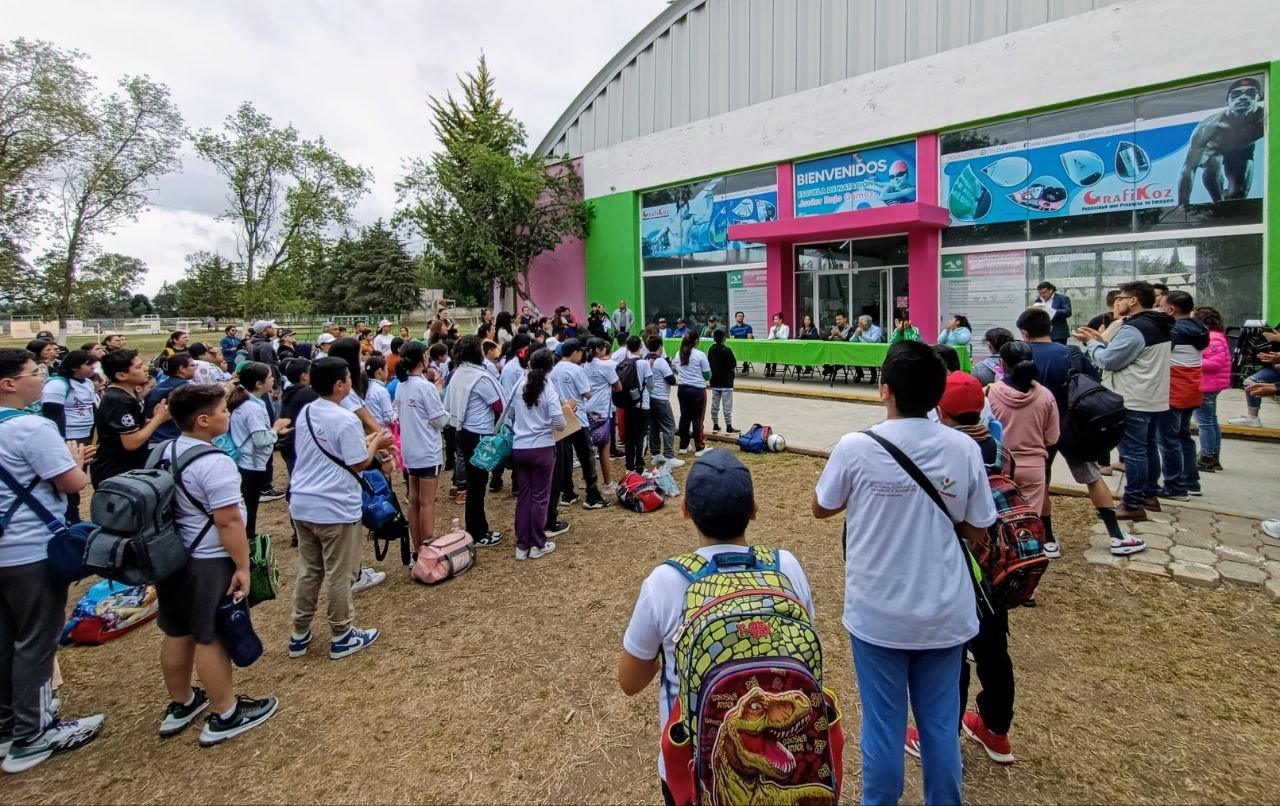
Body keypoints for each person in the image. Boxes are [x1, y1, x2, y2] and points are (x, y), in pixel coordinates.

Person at [812, 340, 996, 806]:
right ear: (938, 396)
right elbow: (978, 528)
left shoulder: (856, 447)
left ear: (884, 391)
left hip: (877, 614)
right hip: (944, 612)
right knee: (939, 726)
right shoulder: (964, 448)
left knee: (883, 726)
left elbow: (822, 507)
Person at [619, 448, 815, 805]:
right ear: (754, 509)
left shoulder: (665, 582)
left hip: (693, 769)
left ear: (685, 510)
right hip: (789, 763)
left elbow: (629, 682)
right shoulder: (787, 568)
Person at [152, 384, 279, 747]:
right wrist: (241, 565)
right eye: (224, 410)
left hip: (172, 556)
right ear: (204, 420)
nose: (229, 414)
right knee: (211, 635)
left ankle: (182, 702)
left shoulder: (165, 450)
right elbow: (228, 521)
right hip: (207, 559)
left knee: (177, 631)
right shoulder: (213, 462)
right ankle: (225, 712)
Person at [0, 348, 105, 774]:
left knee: (6, 639)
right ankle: (34, 733)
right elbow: (71, 482)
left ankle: (9, 724)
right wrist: (77, 462)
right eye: (33, 373)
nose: (40, 380)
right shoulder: (31, 427)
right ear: (8, 383)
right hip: (30, 549)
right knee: (37, 641)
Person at [927, 372, 1018, 765]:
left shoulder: (947, 450)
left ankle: (942, 732)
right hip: (998, 564)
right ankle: (997, 732)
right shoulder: (998, 448)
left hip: (961, 565)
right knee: (995, 650)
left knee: (954, 653)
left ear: (940, 409)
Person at [1015, 307, 1145, 556]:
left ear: (1024, 333)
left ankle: (1047, 540)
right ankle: (1116, 536)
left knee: (1042, 481)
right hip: (1073, 426)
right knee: (1092, 477)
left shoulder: (1023, 355)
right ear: (1050, 328)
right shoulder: (1070, 352)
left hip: (1038, 429)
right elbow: (1093, 383)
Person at [287, 357, 390, 661]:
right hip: (333, 506)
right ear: (339, 385)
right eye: (347, 378)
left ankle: (300, 632)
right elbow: (358, 461)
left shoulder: (308, 411)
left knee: (310, 570)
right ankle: (342, 633)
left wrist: (366, 441)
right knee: (339, 572)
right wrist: (377, 443)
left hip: (303, 502)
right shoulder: (344, 419)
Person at [1073, 281, 1175, 521]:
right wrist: (1102, 339)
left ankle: (1132, 503)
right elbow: (1131, 353)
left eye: (1121, 297)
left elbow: (1108, 361)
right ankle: (1149, 494)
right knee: (1148, 448)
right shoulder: (1158, 324)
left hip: (1133, 397)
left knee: (1133, 452)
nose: (1116, 302)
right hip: (1152, 396)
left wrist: (1092, 344)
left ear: (1133, 301)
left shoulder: (1135, 328)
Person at [987, 341, 1059, 544]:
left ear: (1002, 363)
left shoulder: (991, 393)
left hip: (1000, 466)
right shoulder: (1045, 396)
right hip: (1033, 467)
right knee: (1028, 523)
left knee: (998, 521)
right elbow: (1052, 438)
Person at [442, 335, 505, 546]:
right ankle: (478, 532)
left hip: (462, 431)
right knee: (478, 485)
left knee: (474, 484)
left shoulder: (458, 373)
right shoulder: (480, 377)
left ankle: (476, 528)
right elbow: (499, 406)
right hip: (479, 433)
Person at [510, 349, 567, 559]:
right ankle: (538, 543)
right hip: (542, 448)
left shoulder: (519, 384)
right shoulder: (549, 389)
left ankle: (522, 545)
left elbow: (511, 413)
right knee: (540, 497)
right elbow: (560, 423)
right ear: (550, 367)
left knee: (524, 496)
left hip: (520, 447)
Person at [1177, 76, 1264, 206]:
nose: (1243, 97)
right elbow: (1188, 169)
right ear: (1228, 100)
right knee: (1213, 162)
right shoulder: (1208, 127)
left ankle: (1228, 197)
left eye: (1250, 93)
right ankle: (1219, 202)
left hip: (1241, 151)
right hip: (1213, 151)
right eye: (1236, 94)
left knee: (1238, 196)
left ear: (1259, 98)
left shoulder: (1265, 118)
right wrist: (1182, 206)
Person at [395, 343, 448, 555]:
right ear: (423, 359)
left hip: (410, 450)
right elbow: (440, 421)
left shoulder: (401, 384)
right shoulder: (424, 386)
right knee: (427, 502)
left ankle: (418, 548)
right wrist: (440, 395)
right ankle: (428, 547)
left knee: (414, 500)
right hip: (427, 449)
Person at [92, 349, 171, 488]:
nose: (145, 368)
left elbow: (135, 428)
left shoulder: (126, 395)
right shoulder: (118, 400)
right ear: (121, 375)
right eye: (139, 367)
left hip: (128, 468)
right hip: (116, 471)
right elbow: (132, 442)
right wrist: (158, 419)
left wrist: (159, 418)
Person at [227, 362, 290, 537]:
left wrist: (274, 431)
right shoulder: (251, 407)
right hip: (251, 463)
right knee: (249, 507)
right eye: (270, 377)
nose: (273, 380)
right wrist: (276, 429)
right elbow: (261, 440)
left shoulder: (248, 401)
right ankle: (248, 540)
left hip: (247, 461)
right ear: (258, 384)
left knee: (249, 506)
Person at [1158, 290, 1209, 500]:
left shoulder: (1175, 331)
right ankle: (1191, 482)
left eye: (1161, 307)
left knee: (1168, 440)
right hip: (1192, 388)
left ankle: (1174, 486)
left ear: (1171, 309)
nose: (1159, 310)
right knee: (1183, 436)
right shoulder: (1200, 328)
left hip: (1173, 389)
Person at [550, 339, 610, 509]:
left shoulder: (554, 369)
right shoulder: (576, 370)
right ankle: (592, 495)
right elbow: (588, 394)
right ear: (575, 352)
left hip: (561, 417)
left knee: (565, 457)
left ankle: (567, 492)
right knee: (587, 456)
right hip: (579, 418)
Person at [40, 350, 98, 523]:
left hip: (84, 438)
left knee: (79, 478)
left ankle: (73, 514)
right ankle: (67, 516)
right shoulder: (58, 384)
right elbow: (53, 415)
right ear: (74, 367)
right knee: (67, 480)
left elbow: (91, 408)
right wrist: (60, 442)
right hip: (68, 440)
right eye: (88, 364)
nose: (92, 368)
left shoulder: (87, 382)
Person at [1193, 306, 1230, 472]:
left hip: (1206, 385)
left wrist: (1191, 361)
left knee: (1205, 422)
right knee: (1210, 420)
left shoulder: (1212, 338)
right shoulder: (1215, 336)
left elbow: (1215, 363)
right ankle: (1212, 455)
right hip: (1209, 384)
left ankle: (1207, 456)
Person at [582, 338, 622, 492]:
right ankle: (607, 482)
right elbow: (618, 387)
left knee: (586, 446)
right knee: (604, 446)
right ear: (598, 350)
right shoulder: (605, 367)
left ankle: (586, 479)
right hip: (601, 409)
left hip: (586, 408)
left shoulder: (585, 365)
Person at [642, 334, 681, 468]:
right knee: (669, 425)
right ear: (660, 347)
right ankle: (669, 455)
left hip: (649, 397)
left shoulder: (644, 359)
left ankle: (655, 454)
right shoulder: (661, 361)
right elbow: (672, 379)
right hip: (661, 398)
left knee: (654, 426)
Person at [617, 335, 653, 473]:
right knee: (641, 436)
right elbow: (651, 385)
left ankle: (629, 467)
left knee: (630, 436)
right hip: (642, 405)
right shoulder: (643, 363)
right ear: (641, 347)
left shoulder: (624, 362)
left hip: (628, 404)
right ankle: (640, 466)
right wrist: (648, 368)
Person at [144, 353, 196, 449]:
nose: (195, 368)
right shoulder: (185, 388)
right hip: (171, 443)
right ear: (182, 369)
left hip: (151, 440)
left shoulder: (156, 388)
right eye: (192, 365)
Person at [673, 333, 711, 456]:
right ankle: (699, 447)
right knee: (698, 418)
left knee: (684, 417)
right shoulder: (700, 355)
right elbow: (707, 375)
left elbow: (675, 368)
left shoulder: (678, 354)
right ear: (696, 341)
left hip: (682, 388)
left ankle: (683, 446)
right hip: (698, 389)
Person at [706, 329, 737, 435]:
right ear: (724, 339)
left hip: (715, 380)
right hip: (726, 381)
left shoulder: (711, 349)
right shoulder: (727, 350)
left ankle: (715, 424)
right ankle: (729, 426)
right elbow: (733, 364)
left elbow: (709, 361)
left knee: (715, 404)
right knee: (727, 405)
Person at [362, 355, 395, 432]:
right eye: (386, 369)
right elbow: (390, 418)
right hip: (383, 433)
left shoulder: (364, 387)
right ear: (380, 370)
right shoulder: (381, 391)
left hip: (369, 432)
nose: (387, 371)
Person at [850, 314, 885, 384]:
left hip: (874, 352)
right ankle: (859, 374)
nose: (858, 325)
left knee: (870, 356)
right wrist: (856, 334)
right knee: (854, 356)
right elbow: (851, 340)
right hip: (862, 351)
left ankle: (873, 375)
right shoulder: (859, 328)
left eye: (860, 323)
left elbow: (874, 340)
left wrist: (862, 335)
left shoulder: (876, 329)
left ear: (866, 324)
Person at [763, 312, 789, 378]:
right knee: (768, 352)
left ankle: (774, 369)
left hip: (781, 347)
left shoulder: (786, 327)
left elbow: (785, 338)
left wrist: (776, 334)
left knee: (774, 353)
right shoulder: (772, 328)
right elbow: (769, 338)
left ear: (781, 320)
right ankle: (768, 368)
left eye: (776, 319)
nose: (775, 321)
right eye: (774, 319)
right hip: (773, 346)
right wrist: (774, 336)